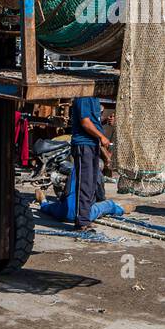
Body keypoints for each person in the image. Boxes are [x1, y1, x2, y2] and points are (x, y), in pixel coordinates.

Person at [70, 95, 112, 233]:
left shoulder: (94, 99)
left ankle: (86, 218)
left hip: (92, 144)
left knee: (92, 183)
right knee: (85, 183)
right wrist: (102, 136)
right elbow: (85, 122)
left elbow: (93, 121)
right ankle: (81, 222)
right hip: (83, 145)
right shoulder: (83, 97)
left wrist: (105, 121)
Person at [38, 159, 125, 225]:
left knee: (49, 207)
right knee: (109, 205)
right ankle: (121, 209)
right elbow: (101, 196)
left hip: (63, 213)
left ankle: (43, 202)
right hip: (84, 215)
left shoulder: (74, 170)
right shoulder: (97, 172)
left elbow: (66, 193)